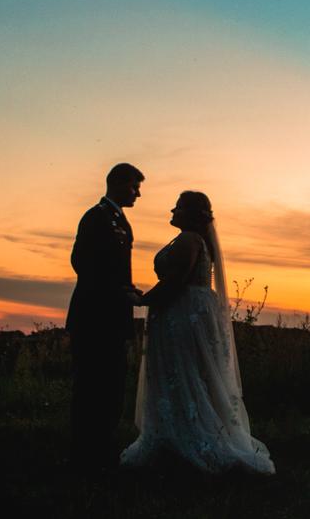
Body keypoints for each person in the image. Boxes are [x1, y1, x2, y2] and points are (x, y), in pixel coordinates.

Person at [121, 190, 275, 474]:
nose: (172, 212)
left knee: (184, 373)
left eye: (177, 207)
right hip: (185, 313)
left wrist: (142, 300)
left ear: (190, 214)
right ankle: (176, 435)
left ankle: (189, 440)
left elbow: (176, 281)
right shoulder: (193, 240)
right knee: (184, 374)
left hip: (182, 315)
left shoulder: (190, 240)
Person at [67, 162, 145, 470]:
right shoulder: (96, 217)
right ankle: (85, 452)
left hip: (114, 317)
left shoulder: (120, 221)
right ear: (117, 183)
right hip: (94, 316)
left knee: (112, 385)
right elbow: (81, 262)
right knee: (90, 386)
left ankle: (102, 446)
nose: (138, 194)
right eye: (134, 187)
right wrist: (116, 291)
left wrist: (128, 290)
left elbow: (117, 269)